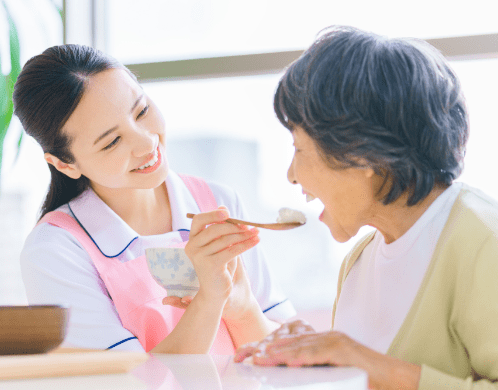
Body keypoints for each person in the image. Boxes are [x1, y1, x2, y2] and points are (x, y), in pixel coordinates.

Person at [234, 25, 498, 389]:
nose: (291, 175)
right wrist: (320, 361)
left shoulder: (484, 243)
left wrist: (364, 362)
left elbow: (380, 372)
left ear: (361, 153)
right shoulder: (360, 261)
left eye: (298, 148)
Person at [14, 44, 295, 354]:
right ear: (64, 164)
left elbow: (288, 347)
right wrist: (208, 302)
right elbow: (126, 380)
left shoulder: (217, 202)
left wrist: (242, 311)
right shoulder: (55, 252)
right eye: (112, 142)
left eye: (142, 111)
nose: (146, 141)